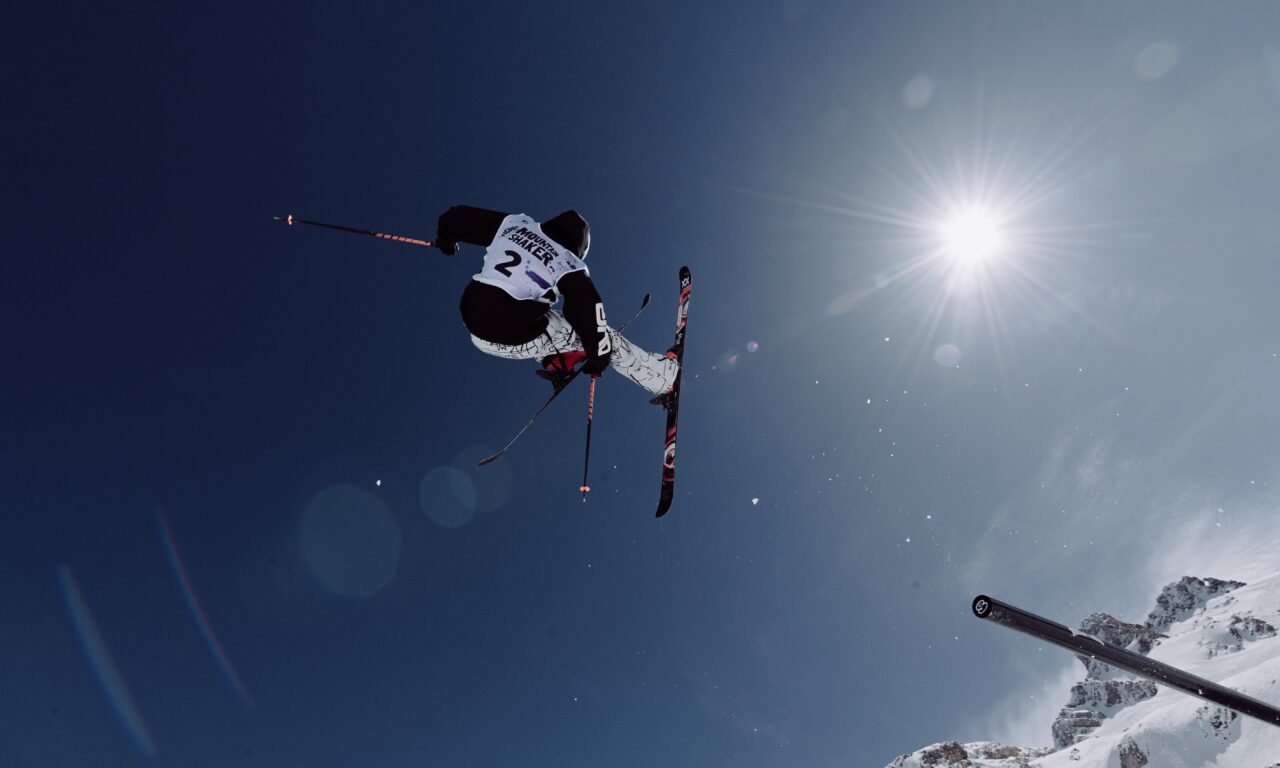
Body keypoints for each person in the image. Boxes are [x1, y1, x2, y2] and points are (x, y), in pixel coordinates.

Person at [433, 205, 678, 399]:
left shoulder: (516, 225)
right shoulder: (567, 262)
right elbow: (589, 307)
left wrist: (446, 239)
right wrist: (598, 357)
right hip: (514, 336)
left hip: (477, 332)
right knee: (604, 336)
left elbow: (456, 217)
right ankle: (663, 378)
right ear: (577, 249)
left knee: (545, 316)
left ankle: (559, 359)